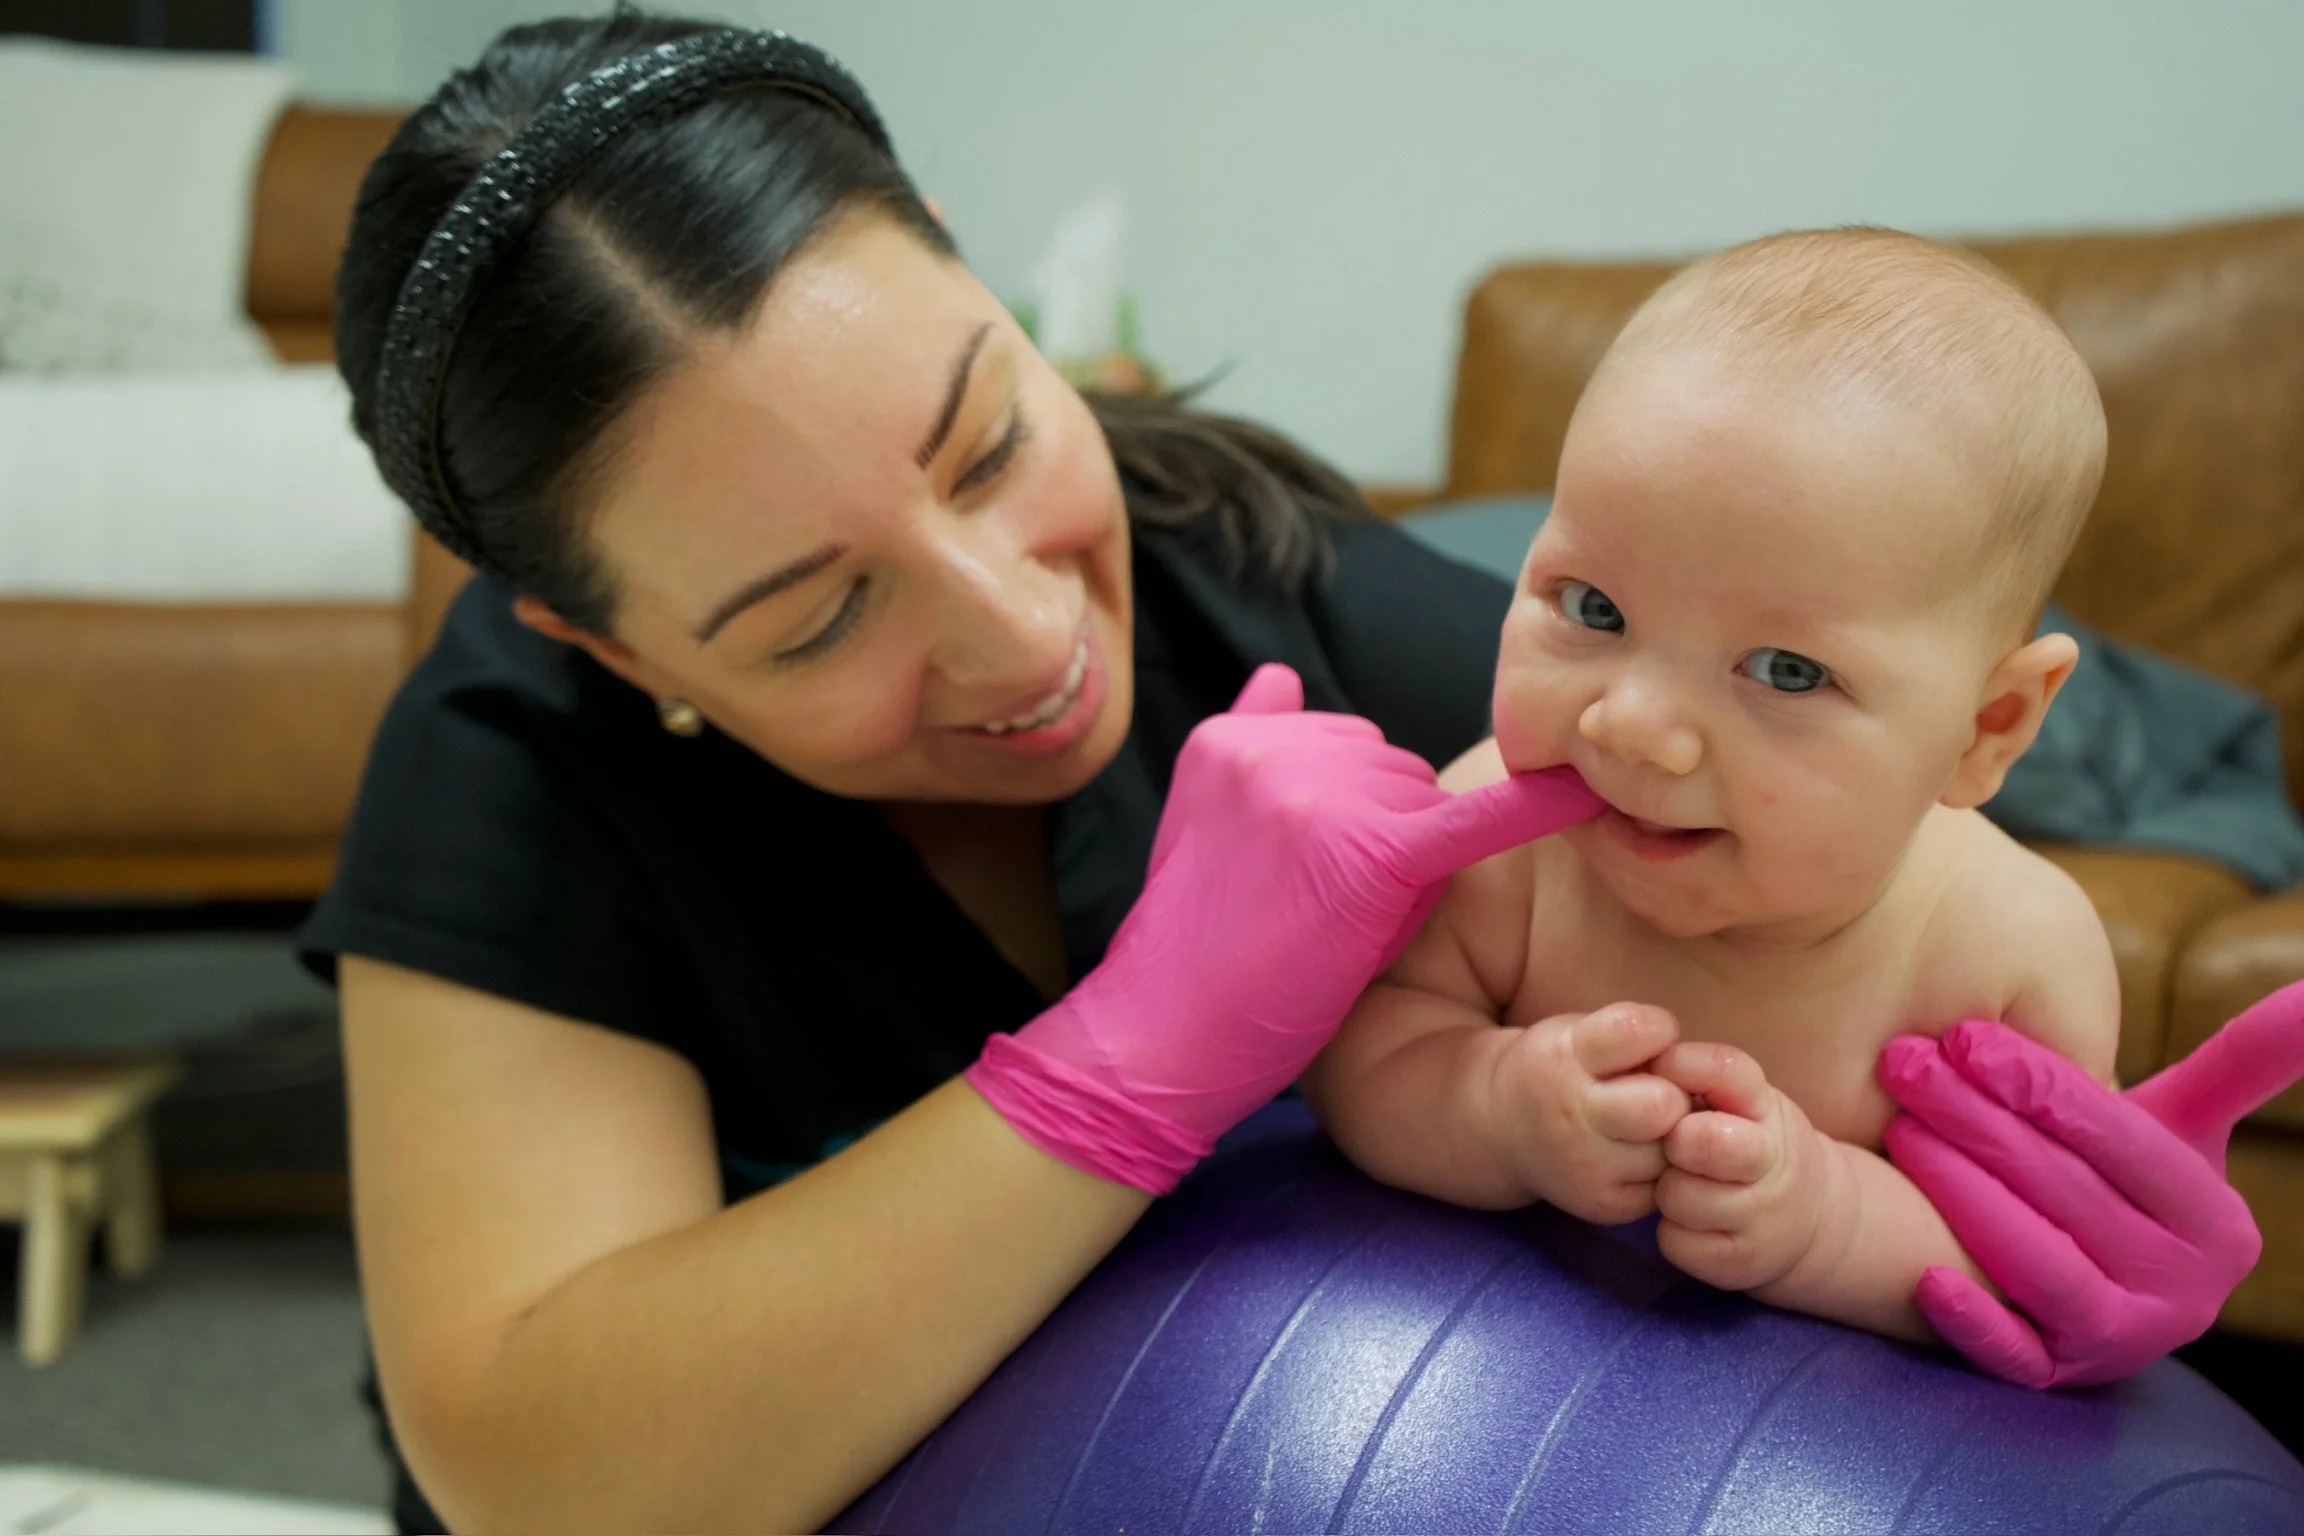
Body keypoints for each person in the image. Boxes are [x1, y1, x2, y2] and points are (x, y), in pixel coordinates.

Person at [309, 13, 2277, 1529]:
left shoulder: (1264, 581)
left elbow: (1812, 770)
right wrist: (1139, 1057)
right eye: (813, 616)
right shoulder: (515, 767)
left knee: (2166, 754)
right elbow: (542, 1482)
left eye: (993, 437)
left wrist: (2022, 1236)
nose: (1021, 636)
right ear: (605, 640)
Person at [1303, 228, 2128, 1340]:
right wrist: (1496, 1107)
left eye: (1786, 671)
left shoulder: (2013, 956)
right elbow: (1357, 1056)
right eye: (1592, 608)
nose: (1633, 728)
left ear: (1987, 728)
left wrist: (1830, 1225)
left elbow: (2039, 1259)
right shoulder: (1500, 843)